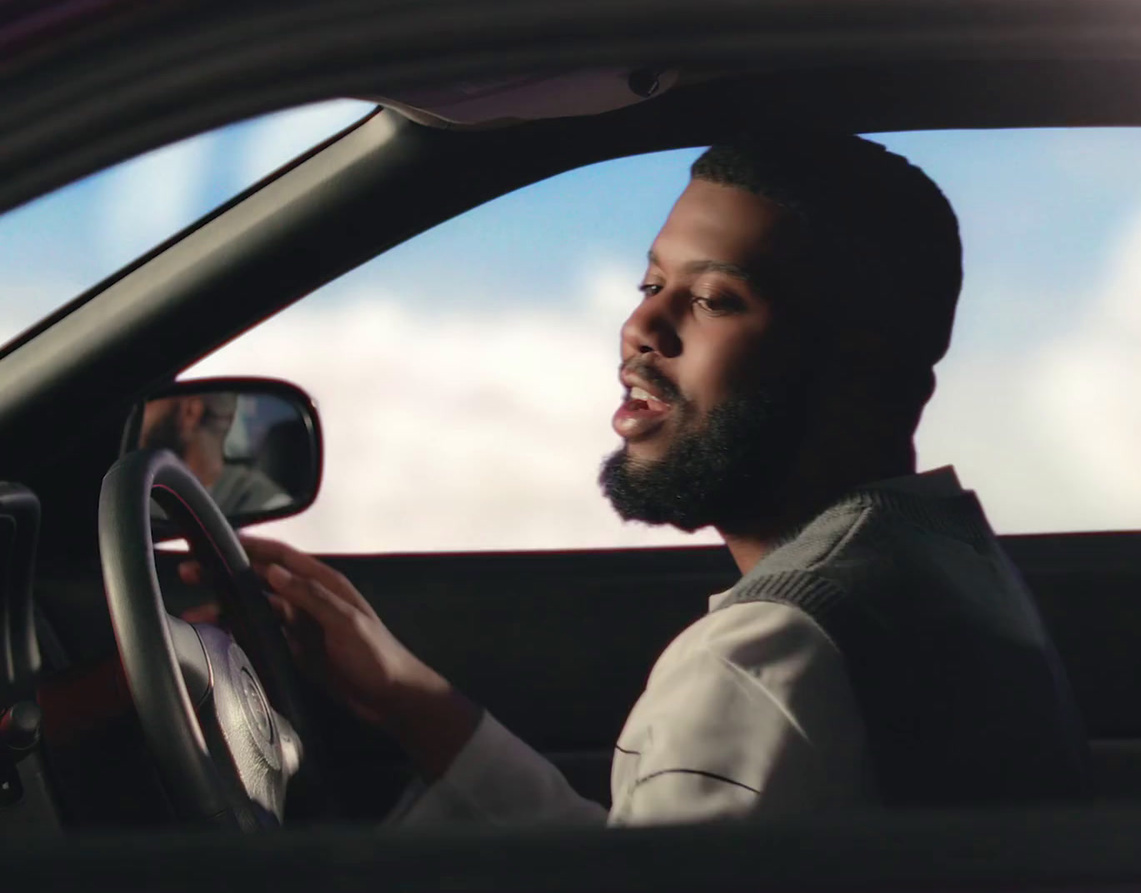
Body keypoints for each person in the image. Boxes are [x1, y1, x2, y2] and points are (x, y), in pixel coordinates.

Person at [186, 133, 1090, 825]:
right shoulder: (942, 559)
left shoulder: (764, 660)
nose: (641, 327)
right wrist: (406, 698)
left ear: (862, 371)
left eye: (712, 298)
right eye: (649, 281)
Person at [141, 392, 293, 515]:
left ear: (190, 413)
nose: (140, 414)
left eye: (150, 401)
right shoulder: (143, 493)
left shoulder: (262, 504)